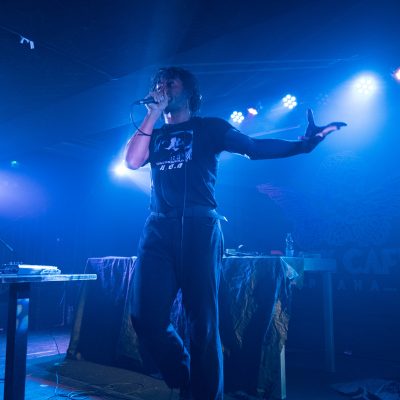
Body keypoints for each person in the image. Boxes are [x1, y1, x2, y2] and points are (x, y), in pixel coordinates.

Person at [125, 66, 346, 400]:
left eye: (170, 82)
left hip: (199, 227)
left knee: (202, 323)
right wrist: (152, 114)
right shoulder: (152, 133)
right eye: (158, 83)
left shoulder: (210, 128)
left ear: (189, 92)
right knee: (144, 317)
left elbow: (253, 147)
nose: (162, 87)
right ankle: (184, 374)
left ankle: (204, 395)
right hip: (157, 228)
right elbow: (131, 162)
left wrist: (302, 146)